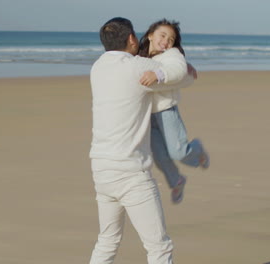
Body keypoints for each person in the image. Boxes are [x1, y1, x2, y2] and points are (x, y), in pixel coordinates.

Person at [89, 17, 194, 264]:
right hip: (130, 172)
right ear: (132, 39)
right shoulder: (138, 68)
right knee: (159, 247)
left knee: (107, 241)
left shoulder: (97, 68)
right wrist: (185, 71)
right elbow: (181, 76)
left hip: (101, 169)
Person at [138, 19, 210, 204]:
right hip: (146, 115)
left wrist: (159, 75)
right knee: (160, 156)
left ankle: (197, 150)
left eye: (171, 39)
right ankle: (176, 180)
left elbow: (177, 68)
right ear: (150, 35)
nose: (166, 41)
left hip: (165, 110)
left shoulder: (172, 54)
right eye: (162, 35)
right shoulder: (140, 56)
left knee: (178, 151)